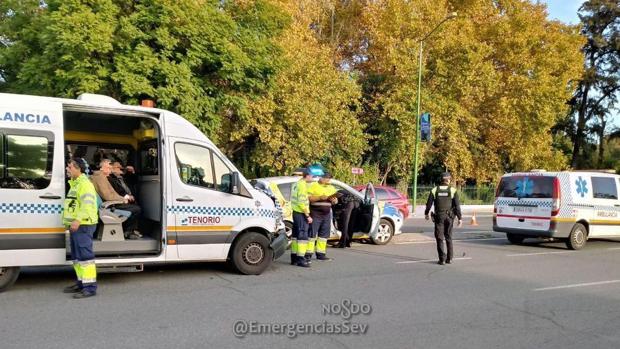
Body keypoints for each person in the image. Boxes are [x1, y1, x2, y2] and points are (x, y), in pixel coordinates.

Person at [63, 158, 99, 299]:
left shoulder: (84, 184)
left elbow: (88, 205)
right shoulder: (76, 184)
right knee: (77, 257)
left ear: (78, 169)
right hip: (77, 225)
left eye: (70, 166)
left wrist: (78, 220)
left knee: (85, 257)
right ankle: (81, 282)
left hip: (83, 224)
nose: (68, 168)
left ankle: (90, 287)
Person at [91, 159, 142, 239]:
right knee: (136, 209)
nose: (110, 170)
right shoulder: (100, 178)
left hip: (110, 203)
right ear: (101, 168)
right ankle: (128, 232)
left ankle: (130, 231)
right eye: (108, 168)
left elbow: (112, 194)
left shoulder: (102, 177)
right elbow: (107, 196)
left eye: (110, 168)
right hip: (109, 205)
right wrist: (122, 199)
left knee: (134, 206)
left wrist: (122, 199)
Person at [424, 172, 463, 265]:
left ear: (441, 179)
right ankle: (449, 258)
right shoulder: (453, 190)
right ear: (448, 180)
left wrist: (426, 213)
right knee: (448, 237)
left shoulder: (434, 190)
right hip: (449, 217)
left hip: (439, 217)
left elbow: (429, 204)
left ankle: (442, 259)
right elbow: (457, 206)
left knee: (439, 238)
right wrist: (460, 218)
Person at [307, 172, 338, 261]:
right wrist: (320, 197)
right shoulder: (313, 185)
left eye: (329, 179)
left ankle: (321, 254)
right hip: (315, 213)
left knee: (323, 236)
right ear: (321, 178)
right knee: (311, 234)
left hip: (326, 214)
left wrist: (334, 200)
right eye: (326, 178)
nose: (327, 180)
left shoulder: (331, 187)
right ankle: (308, 254)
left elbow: (335, 200)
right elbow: (309, 198)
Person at [290, 169, 314, 267]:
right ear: (307, 176)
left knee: (295, 236)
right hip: (301, 213)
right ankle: (301, 259)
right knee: (302, 236)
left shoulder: (296, 184)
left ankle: (294, 258)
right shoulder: (302, 186)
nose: (312, 178)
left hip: (295, 212)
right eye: (312, 176)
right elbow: (302, 202)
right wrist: (307, 215)